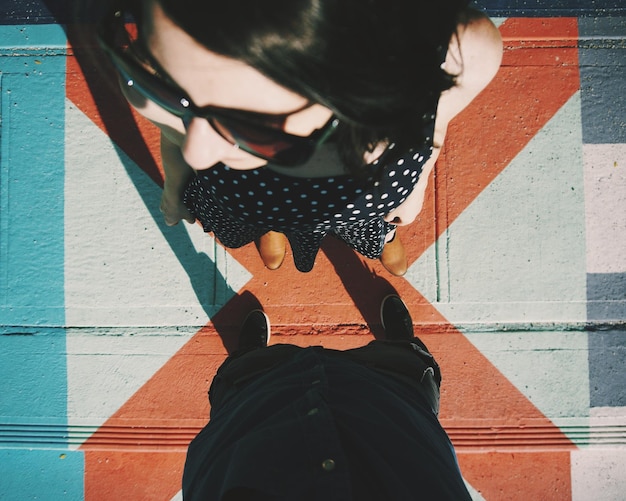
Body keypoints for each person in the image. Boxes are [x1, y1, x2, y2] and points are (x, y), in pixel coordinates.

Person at [97, 0, 502, 275]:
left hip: (341, 202)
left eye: (252, 124)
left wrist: (418, 182)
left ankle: (368, 236)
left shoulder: (463, 52)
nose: (199, 155)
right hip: (244, 201)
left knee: (366, 222)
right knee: (252, 218)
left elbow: (433, 125)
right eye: (167, 87)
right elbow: (176, 138)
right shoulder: (152, 65)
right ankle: (270, 227)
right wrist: (174, 180)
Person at [182, 295, 472, 500]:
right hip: (389, 399)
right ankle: (401, 343)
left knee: (250, 375)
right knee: (404, 368)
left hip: (257, 404)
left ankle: (250, 355)